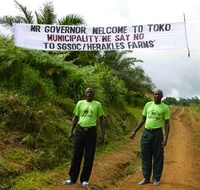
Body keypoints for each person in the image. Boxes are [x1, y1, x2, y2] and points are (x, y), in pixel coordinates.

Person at [63, 87, 105, 187]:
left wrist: (103, 134)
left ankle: (84, 179)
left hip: (91, 132)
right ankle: (72, 179)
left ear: (93, 94)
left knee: (89, 156)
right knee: (76, 155)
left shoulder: (97, 105)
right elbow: (75, 117)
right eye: (87, 92)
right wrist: (71, 131)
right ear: (84, 94)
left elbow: (102, 119)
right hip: (80, 131)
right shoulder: (80, 103)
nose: (89, 94)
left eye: (90, 92)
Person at [130, 89, 170, 186]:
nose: (156, 96)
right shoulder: (148, 105)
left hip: (157, 134)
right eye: (155, 94)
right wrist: (134, 131)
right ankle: (146, 178)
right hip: (146, 133)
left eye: (158, 94)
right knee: (146, 156)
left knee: (158, 157)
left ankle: (156, 178)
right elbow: (143, 119)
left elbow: (167, 123)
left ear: (162, 96)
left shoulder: (165, 107)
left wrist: (165, 138)